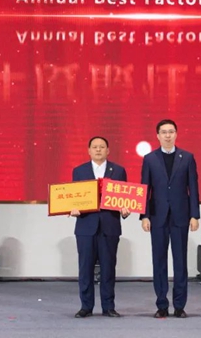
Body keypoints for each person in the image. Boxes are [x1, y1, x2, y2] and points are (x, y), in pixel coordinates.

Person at [140, 119, 200, 318]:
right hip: (157, 216)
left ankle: (180, 306)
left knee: (180, 261)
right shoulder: (149, 159)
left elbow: (193, 188)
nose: (167, 135)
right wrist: (144, 216)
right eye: (164, 132)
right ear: (157, 135)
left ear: (176, 134)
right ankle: (162, 305)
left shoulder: (187, 157)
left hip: (181, 216)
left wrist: (194, 215)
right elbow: (145, 189)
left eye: (171, 131)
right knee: (159, 261)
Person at [70, 136, 129, 318]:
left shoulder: (118, 171)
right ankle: (86, 306)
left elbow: (124, 197)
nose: (98, 150)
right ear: (89, 151)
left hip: (109, 226)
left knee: (108, 268)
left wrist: (125, 210)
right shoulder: (79, 171)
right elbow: (74, 197)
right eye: (94, 147)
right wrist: (72, 208)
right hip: (86, 226)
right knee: (85, 269)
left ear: (108, 150)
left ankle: (108, 306)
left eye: (102, 147)